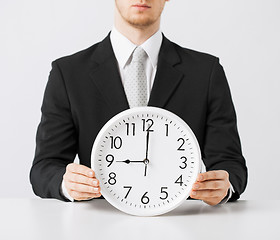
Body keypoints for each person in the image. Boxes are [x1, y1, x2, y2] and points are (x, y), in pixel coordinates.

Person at [30, 0, 247, 206]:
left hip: (181, 222)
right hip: (98, 223)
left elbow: (231, 163)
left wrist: (223, 186)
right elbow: (45, 167)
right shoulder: (68, 73)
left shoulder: (205, 72)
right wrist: (67, 183)